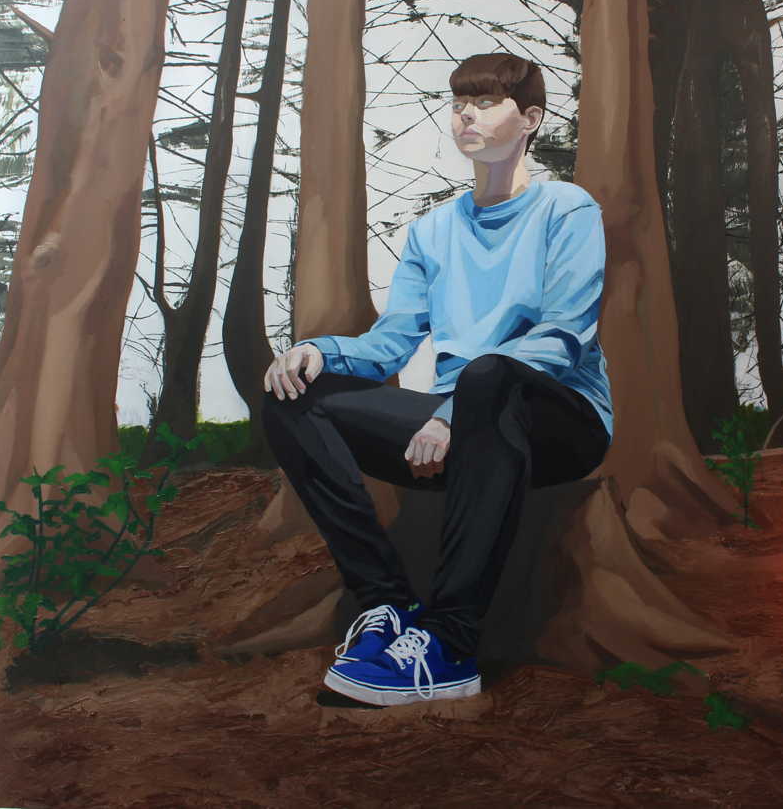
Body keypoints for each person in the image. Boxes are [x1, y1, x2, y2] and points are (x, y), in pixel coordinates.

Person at [261, 52, 613, 707]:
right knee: (294, 396)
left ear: (531, 119)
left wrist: (450, 413)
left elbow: (564, 336)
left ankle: (450, 644)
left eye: (485, 101)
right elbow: (391, 343)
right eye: (458, 104)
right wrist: (317, 351)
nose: (466, 115)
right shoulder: (433, 231)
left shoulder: (566, 209)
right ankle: (385, 606)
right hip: (462, 422)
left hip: (559, 420)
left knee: (487, 374)